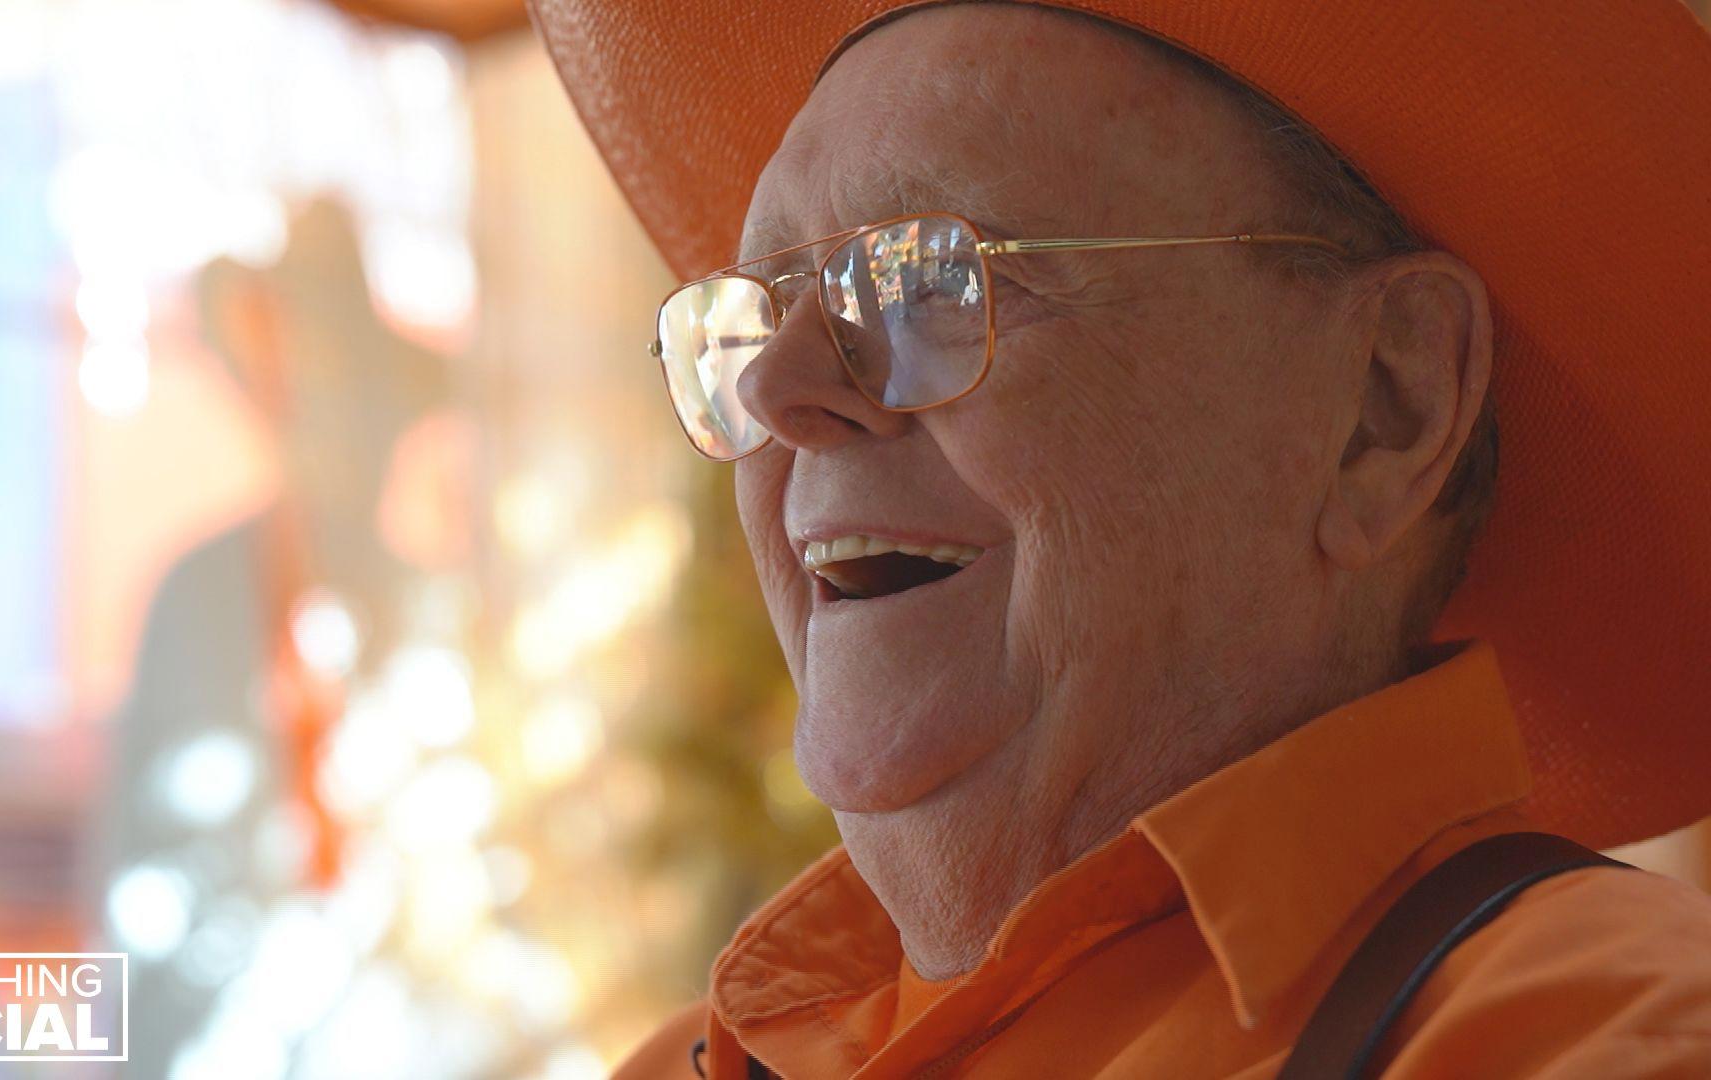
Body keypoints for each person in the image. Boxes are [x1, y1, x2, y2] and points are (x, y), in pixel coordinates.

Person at [531, 1, 1711, 1075]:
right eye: (763, 310)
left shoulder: (1595, 1036)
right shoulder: (690, 1062)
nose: (783, 386)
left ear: (1381, 412)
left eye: (931, 285)